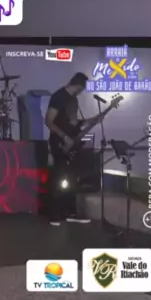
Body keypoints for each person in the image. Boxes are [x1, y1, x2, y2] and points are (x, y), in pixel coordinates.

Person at [44, 73, 93, 226]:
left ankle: (70, 212)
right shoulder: (58, 97)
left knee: (72, 177)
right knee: (58, 176)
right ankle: (54, 214)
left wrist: (91, 121)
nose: (81, 91)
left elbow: (73, 123)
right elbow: (49, 121)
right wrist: (63, 136)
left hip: (71, 141)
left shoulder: (73, 100)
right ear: (79, 86)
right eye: (82, 88)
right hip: (59, 141)